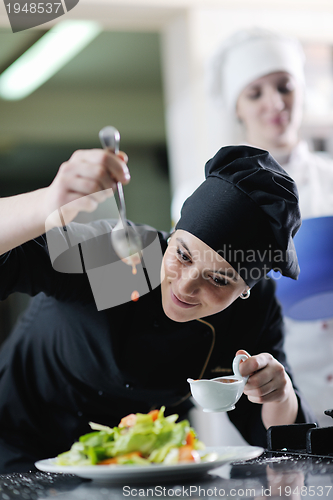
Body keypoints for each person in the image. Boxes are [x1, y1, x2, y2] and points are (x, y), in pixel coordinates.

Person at [0, 143, 315, 473]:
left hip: (145, 461)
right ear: (172, 235)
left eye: (219, 280)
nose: (185, 286)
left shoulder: (252, 312)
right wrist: (47, 204)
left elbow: (277, 445)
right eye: (182, 255)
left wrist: (279, 396)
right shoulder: (127, 262)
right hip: (22, 440)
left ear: (246, 290)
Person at [173, 28, 333, 427]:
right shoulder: (206, 193)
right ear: (236, 107)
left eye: (285, 86)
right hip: (266, 377)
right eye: (255, 92)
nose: (275, 103)